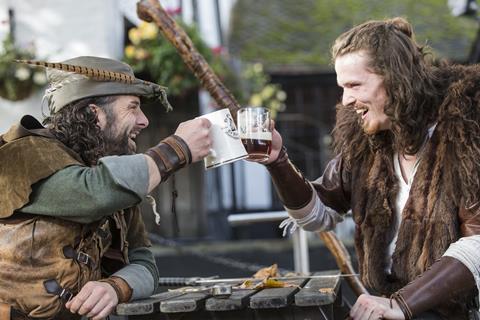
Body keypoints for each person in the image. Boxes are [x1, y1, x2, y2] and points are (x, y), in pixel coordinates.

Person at [258, 18, 480, 319]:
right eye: (342, 87)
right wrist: (277, 161)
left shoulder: (466, 129)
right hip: (388, 308)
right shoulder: (364, 142)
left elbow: (478, 244)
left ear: (395, 79)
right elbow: (317, 216)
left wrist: (403, 303)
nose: (346, 99)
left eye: (354, 85)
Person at [0, 56, 212, 319]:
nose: (144, 120)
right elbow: (93, 194)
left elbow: (144, 263)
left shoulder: (112, 175)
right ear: (94, 113)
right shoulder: (24, 155)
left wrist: (116, 287)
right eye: (133, 107)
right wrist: (178, 149)